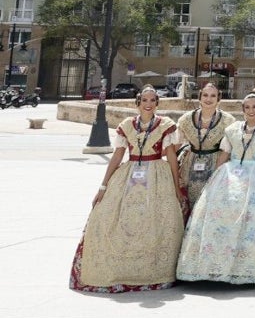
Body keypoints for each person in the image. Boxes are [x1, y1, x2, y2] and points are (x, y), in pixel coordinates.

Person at [70, 87, 186, 293]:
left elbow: (171, 157)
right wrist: (103, 186)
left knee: (157, 220)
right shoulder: (126, 125)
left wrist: (177, 188)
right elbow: (117, 156)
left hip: (157, 174)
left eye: (152, 100)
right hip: (129, 173)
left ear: (157, 103)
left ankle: (150, 271)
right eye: (144, 100)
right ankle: (119, 270)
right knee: (110, 216)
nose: (148, 104)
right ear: (138, 103)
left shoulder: (165, 125)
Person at [177, 92, 255, 284]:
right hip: (230, 174)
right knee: (219, 213)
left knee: (251, 218)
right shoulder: (233, 129)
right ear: (243, 110)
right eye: (247, 107)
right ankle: (212, 266)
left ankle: (245, 269)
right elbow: (224, 155)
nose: (251, 111)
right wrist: (214, 179)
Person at [176, 81, 235, 212]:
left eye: (213, 96)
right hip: (190, 164)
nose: (208, 99)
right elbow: (175, 145)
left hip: (216, 165)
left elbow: (231, 148)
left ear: (218, 98)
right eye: (205, 95)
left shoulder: (228, 120)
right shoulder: (185, 119)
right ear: (200, 97)